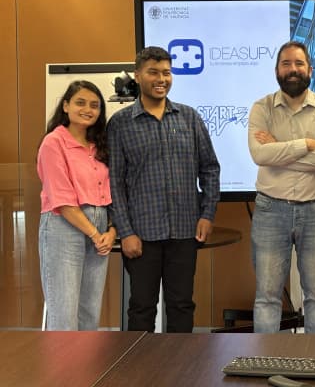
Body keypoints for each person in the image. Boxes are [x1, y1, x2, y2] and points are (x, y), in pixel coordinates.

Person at [108, 46, 220, 332]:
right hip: (141, 235)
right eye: (153, 72)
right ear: (138, 75)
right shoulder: (120, 124)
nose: (162, 79)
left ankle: (180, 372)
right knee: (142, 307)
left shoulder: (189, 118)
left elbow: (209, 168)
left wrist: (207, 214)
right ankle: (140, 373)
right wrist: (126, 232)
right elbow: (115, 183)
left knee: (181, 305)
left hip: (185, 231)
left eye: (167, 73)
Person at [248, 40, 315, 333]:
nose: (293, 69)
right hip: (269, 210)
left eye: (299, 64)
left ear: (310, 70)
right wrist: (304, 146)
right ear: (276, 70)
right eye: (286, 63)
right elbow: (259, 155)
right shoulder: (261, 108)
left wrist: (279, 150)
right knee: (267, 298)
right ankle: (264, 368)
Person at [37, 80, 116, 330]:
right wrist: (95, 234)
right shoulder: (53, 142)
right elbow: (62, 199)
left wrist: (111, 233)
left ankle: (85, 370)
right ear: (66, 106)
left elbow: (113, 194)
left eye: (95, 105)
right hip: (64, 226)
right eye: (80, 102)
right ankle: (63, 371)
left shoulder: (100, 146)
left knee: (89, 312)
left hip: (100, 229)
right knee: (64, 314)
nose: (88, 109)